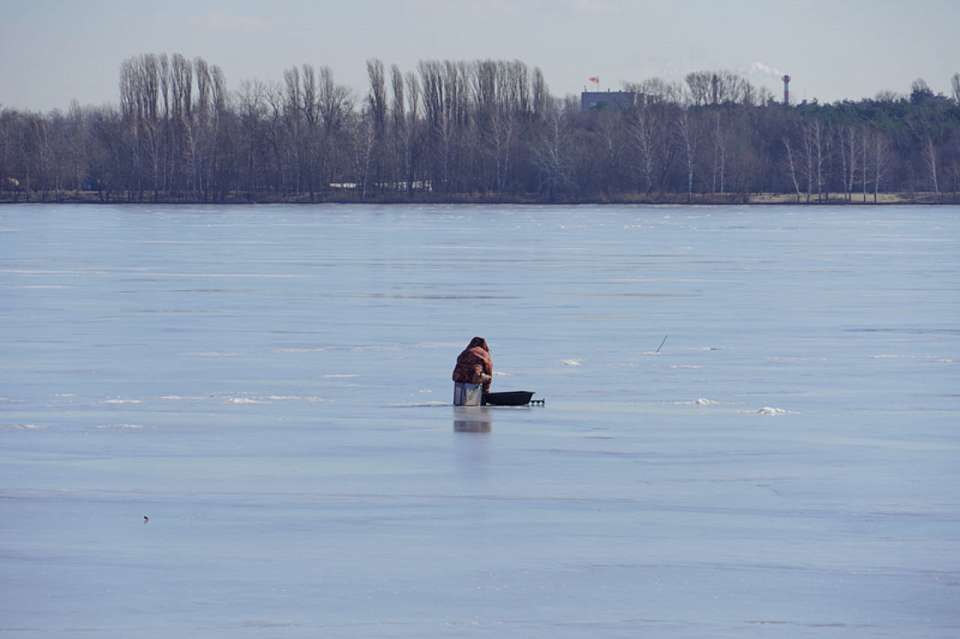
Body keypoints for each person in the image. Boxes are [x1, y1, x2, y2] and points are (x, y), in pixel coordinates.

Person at [452, 337, 493, 406]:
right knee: (488, 377)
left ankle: (460, 399)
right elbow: (489, 369)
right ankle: (483, 394)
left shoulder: (464, 352)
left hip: (458, 378)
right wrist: (486, 389)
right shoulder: (483, 353)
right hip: (473, 378)